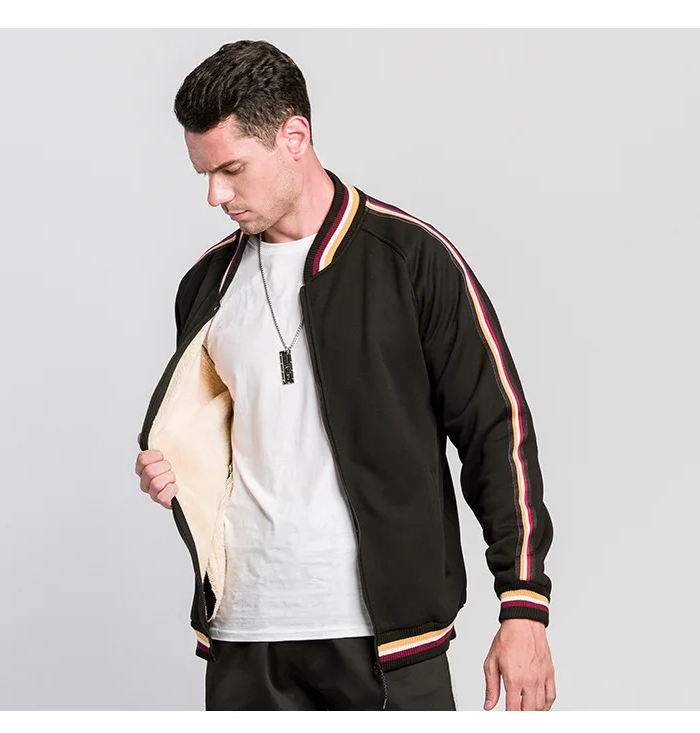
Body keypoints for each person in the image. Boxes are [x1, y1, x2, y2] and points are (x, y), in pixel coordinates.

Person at [134, 39, 556, 711]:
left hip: (388, 639)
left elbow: (495, 429)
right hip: (245, 636)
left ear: (294, 137)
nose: (216, 194)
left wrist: (523, 600)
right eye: (205, 174)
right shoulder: (206, 285)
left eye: (232, 169)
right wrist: (177, 468)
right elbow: (221, 435)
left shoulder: (410, 259)